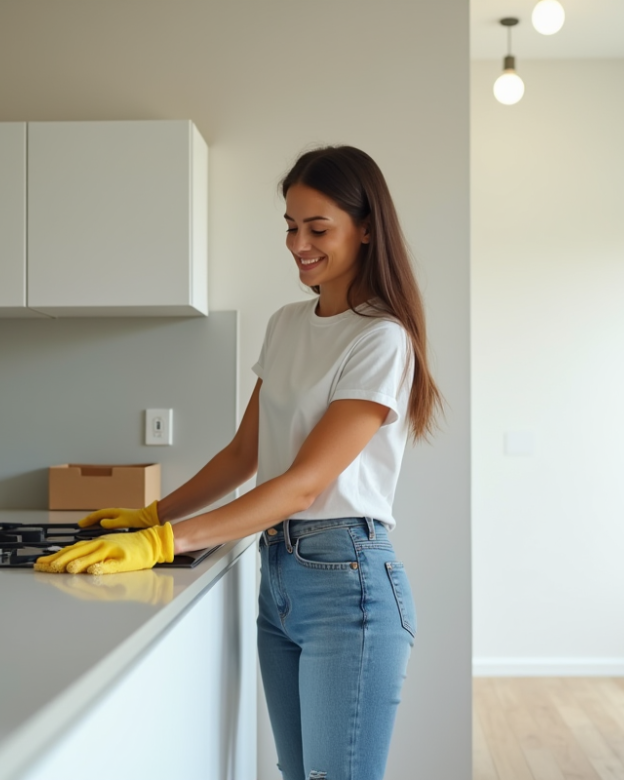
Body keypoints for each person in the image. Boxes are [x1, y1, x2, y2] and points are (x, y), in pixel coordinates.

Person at [35, 145, 442, 780]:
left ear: (366, 228)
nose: (298, 244)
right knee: (296, 774)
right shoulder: (285, 324)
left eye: (317, 228)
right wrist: (149, 516)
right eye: (290, 225)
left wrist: (166, 541)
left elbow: (304, 485)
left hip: (347, 582)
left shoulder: (381, 339)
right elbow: (243, 455)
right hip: (278, 573)